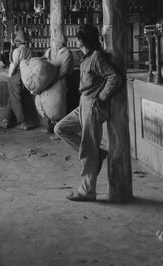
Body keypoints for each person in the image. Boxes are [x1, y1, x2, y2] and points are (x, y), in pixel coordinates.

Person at [54, 24, 123, 202]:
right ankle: (97, 155)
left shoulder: (96, 57)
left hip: (92, 105)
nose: (76, 41)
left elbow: (114, 77)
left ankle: (87, 190)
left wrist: (101, 97)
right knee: (61, 128)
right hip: (82, 103)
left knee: (88, 149)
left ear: (84, 40)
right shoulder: (86, 57)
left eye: (78, 38)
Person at [40, 33, 74, 133]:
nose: (53, 43)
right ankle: (51, 127)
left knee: (61, 105)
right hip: (54, 80)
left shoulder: (66, 53)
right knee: (52, 104)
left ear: (59, 44)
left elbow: (64, 70)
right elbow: (44, 58)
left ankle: (62, 130)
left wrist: (53, 79)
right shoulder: (53, 51)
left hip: (63, 80)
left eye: (54, 42)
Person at [3, 29, 35, 130]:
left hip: (17, 75)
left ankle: (22, 122)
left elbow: (14, 65)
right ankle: (6, 120)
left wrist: (10, 75)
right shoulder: (30, 51)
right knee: (13, 97)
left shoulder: (17, 51)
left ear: (18, 42)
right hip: (26, 76)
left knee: (16, 98)